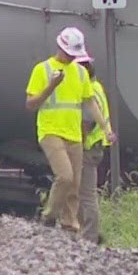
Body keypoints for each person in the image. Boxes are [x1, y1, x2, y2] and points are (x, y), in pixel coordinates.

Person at [24, 26, 114, 233]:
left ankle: (69, 223)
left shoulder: (80, 73)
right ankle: (49, 216)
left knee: (75, 185)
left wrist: (106, 128)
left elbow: (90, 103)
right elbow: (30, 104)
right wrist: (51, 86)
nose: (72, 57)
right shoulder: (43, 70)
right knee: (65, 176)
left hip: (73, 134)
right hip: (50, 131)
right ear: (61, 48)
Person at [76, 59, 114, 245]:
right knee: (84, 193)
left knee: (87, 195)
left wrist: (78, 143)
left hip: (89, 147)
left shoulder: (89, 91)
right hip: (97, 145)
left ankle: (89, 237)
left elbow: (87, 123)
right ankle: (87, 233)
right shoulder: (97, 86)